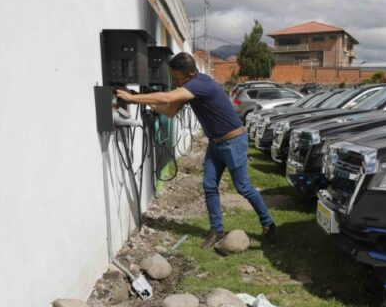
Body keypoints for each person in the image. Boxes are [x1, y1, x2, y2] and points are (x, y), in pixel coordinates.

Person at [115, 52, 276, 248]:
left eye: (177, 77)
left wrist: (133, 98)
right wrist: (145, 101)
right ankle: (217, 230)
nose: (175, 81)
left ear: (189, 74)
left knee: (243, 187)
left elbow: (167, 98)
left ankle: (268, 225)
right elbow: (171, 110)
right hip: (216, 143)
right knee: (209, 186)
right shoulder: (189, 87)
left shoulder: (200, 84)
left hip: (233, 141)